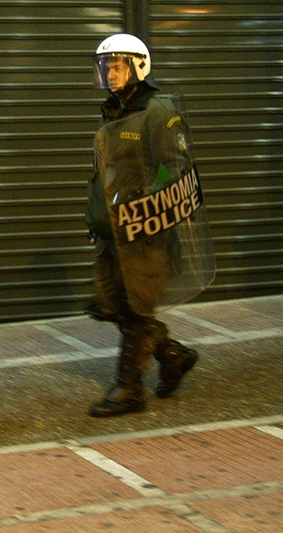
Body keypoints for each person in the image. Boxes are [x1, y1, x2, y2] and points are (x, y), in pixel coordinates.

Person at [84, 33, 200, 417]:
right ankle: (173, 356)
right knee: (114, 305)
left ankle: (128, 390)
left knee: (136, 311)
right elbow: (101, 175)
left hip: (145, 231)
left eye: (117, 66)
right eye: (105, 67)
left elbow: (174, 169)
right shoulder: (112, 110)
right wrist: (95, 219)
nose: (110, 74)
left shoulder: (158, 111)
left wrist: (144, 200)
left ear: (139, 67)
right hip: (111, 230)